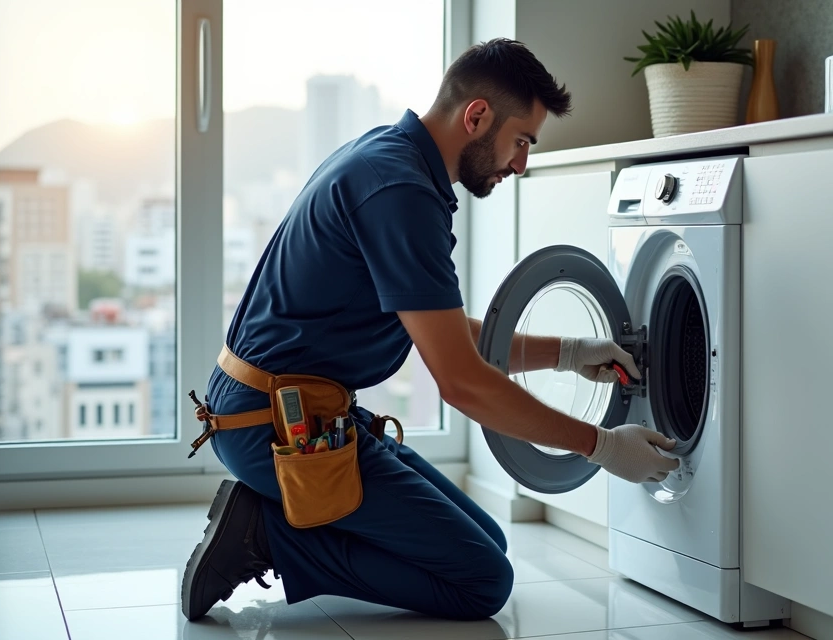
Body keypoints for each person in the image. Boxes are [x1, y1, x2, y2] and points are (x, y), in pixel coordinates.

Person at [181, 38, 680, 623]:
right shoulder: (401, 193)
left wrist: (568, 353)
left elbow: (438, 329)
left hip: (291, 409)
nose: (522, 163)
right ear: (477, 116)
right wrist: (601, 446)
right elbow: (462, 382)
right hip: (278, 426)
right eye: (522, 141)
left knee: (487, 540)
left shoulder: (388, 158)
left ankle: (278, 518)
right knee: (481, 581)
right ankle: (266, 534)